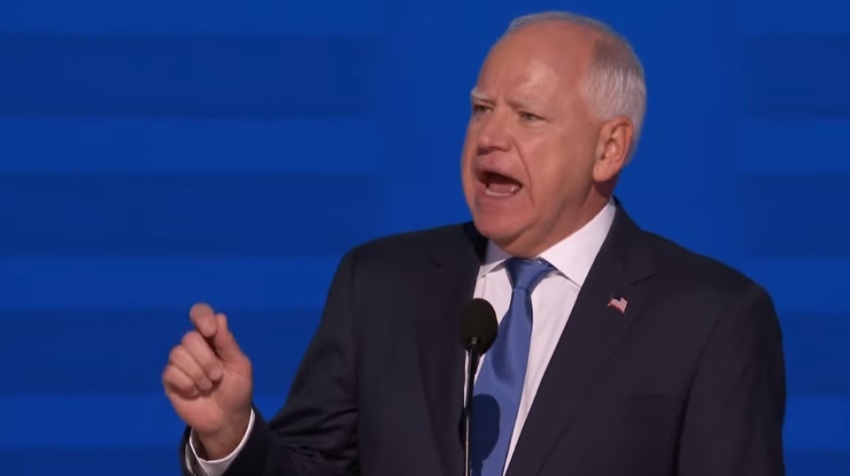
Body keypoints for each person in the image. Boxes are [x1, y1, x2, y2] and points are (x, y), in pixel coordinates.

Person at [162, 10, 786, 476]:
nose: (490, 137)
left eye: (528, 116)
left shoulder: (710, 318)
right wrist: (232, 436)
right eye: (481, 108)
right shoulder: (379, 286)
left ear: (609, 148)